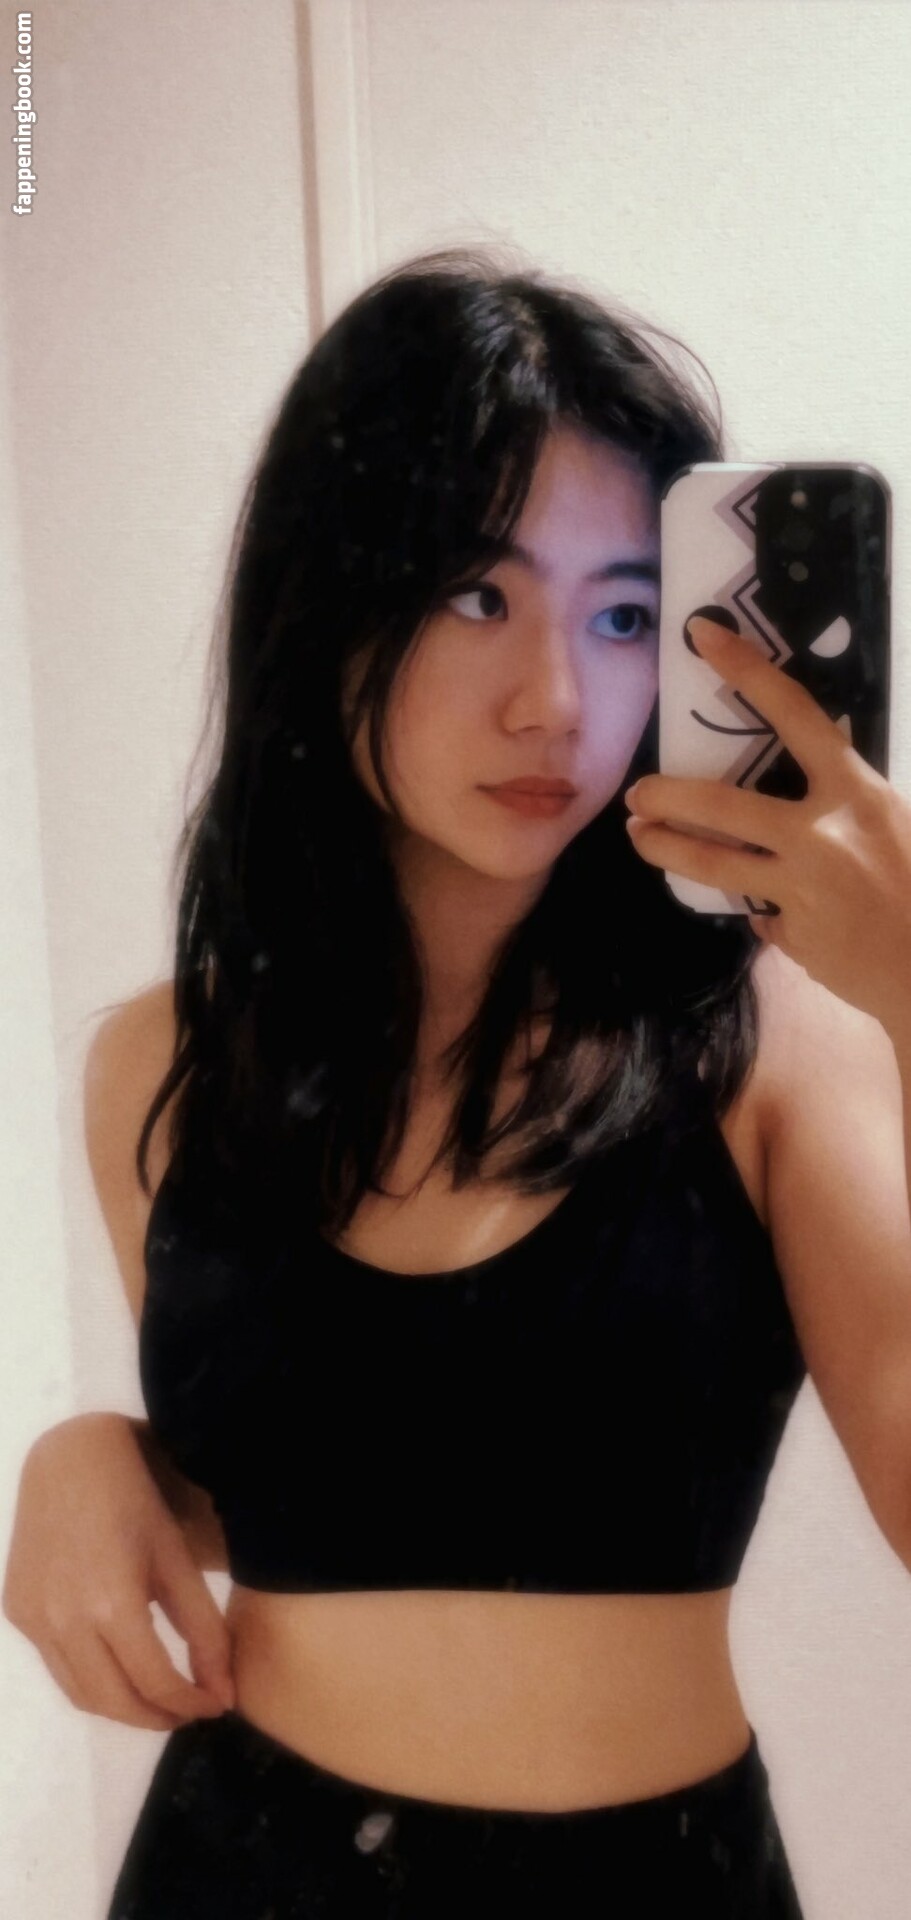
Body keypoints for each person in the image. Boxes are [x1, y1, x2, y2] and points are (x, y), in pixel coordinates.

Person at [10, 243, 908, 1916]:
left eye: (623, 614)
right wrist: (88, 1457)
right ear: (327, 602)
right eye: (476, 595)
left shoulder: (778, 1039)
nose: (556, 700)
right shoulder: (168, 1063)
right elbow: (330, 1477)